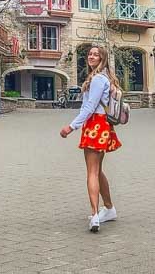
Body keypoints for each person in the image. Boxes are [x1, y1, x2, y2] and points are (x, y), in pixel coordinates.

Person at [59, 45, 122, 232]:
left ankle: (95, 215)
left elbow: (89, 107)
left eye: (96, 54)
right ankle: (109, 209)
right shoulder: (104, 78)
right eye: (90, 54)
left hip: (95, 125)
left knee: (92, 172)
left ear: (102, 59)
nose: (91, 56)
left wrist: (70, 127)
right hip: (102, 125)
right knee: (98, 169)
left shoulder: (97, 79)